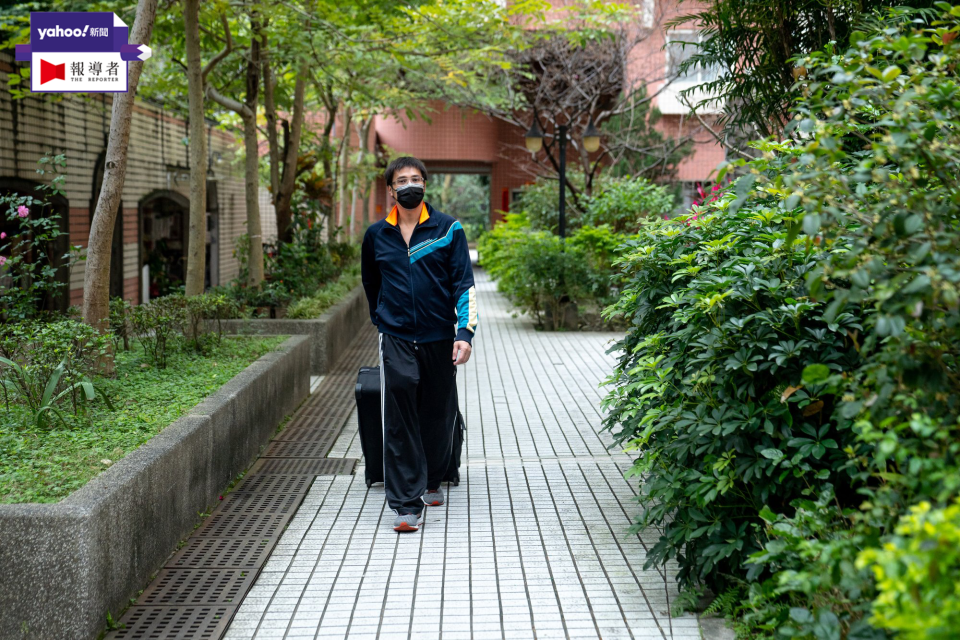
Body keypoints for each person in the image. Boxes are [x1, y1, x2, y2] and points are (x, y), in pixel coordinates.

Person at [361, 156, 479, 532]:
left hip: (440, 335)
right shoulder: (376, 235)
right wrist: (382, 318)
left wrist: (465, 334)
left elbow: (464, 284)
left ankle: (432, 476)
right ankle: (406, 504)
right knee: (398, 408)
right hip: (396, 335)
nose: (409, 185)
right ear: (391, 189)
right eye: (402, 180)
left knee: (436, 411)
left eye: (416, 179)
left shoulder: (448, 230)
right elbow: (371, 283)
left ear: (425, 185)